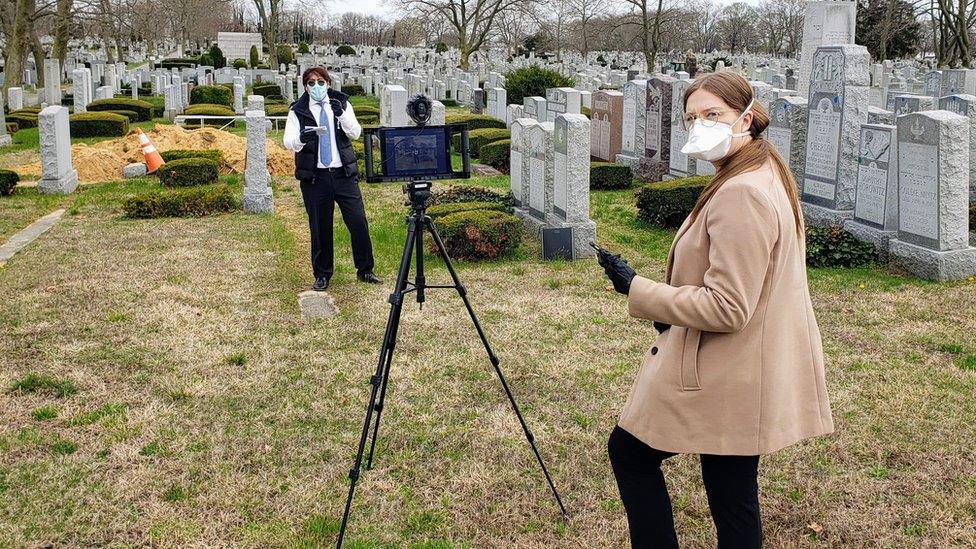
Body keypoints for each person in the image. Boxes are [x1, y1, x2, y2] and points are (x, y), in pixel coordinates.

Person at [597, 71, 834, 548]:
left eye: (712, 115)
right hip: (748, 368)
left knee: (631, 454)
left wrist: (638, 290)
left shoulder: (742, 192)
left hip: (729, 369)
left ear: (745, 118)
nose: (699, 126)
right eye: (691, 119)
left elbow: (729, 306)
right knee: (731, 492)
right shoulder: (762, 171)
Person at [283, 67, 381, 291]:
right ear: (306, 87)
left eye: (320, 82)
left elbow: (355, 132)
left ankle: (365, 269)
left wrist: (342, 115)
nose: (315, 86)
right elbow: (288, 141)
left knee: (357, 221)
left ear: (328, 83)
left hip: (343, 174)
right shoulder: (298, 110)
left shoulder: (342, 103)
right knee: (320, 226)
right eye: (310, 83)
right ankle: (322, 274)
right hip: (315, 177)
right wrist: (301, 138)